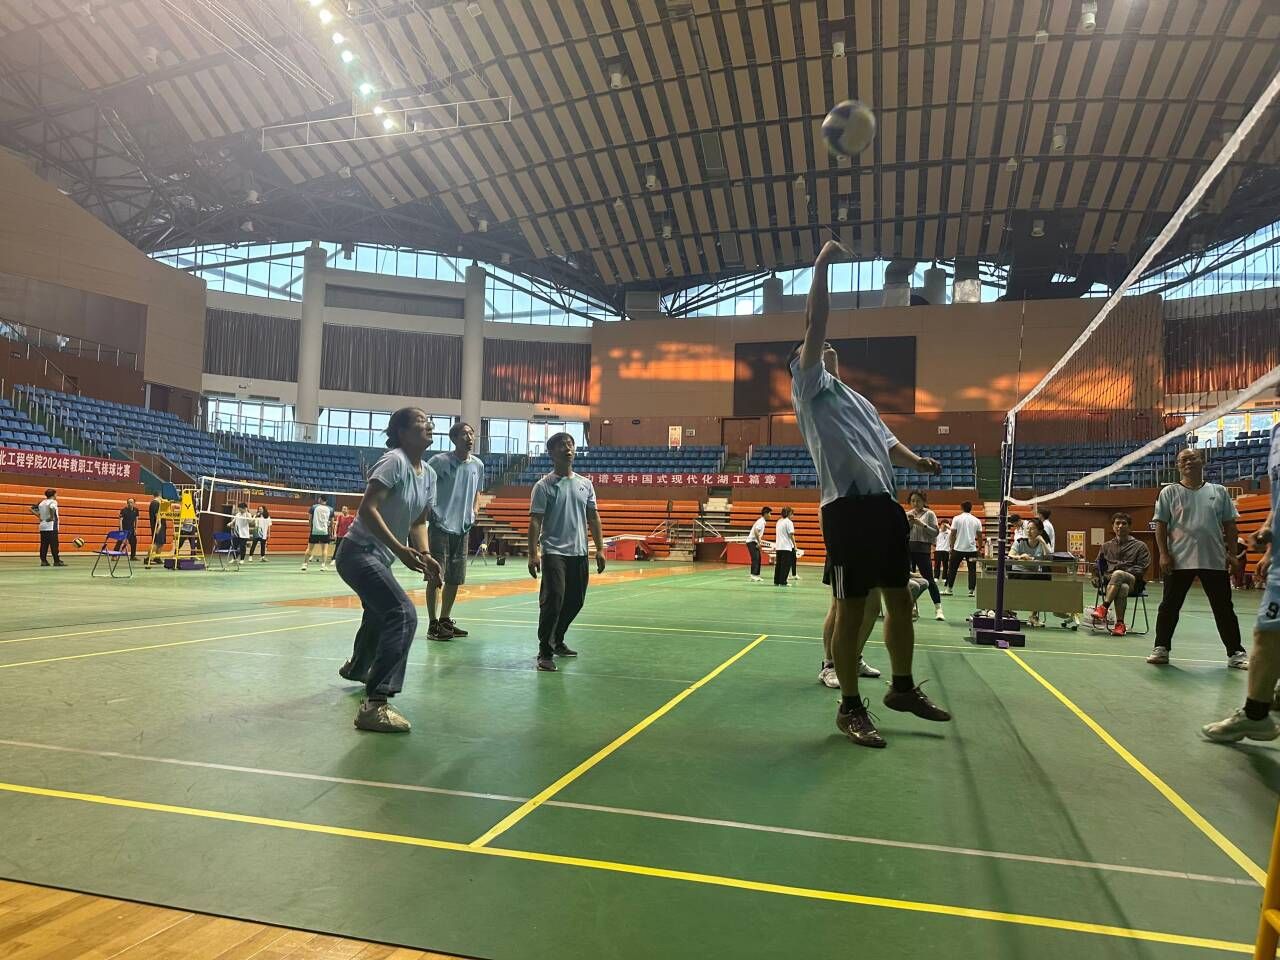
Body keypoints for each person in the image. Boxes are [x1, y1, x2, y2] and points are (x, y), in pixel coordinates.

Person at [792, 239, 950, 748]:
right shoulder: (810, 386)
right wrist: (821, 265)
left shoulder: (859, 400)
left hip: (884, 507)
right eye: (814, 348)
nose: (823, 348)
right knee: (852, 608)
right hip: (846, 510)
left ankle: (901, 688)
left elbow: (887, 443)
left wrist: (918, 462)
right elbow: (816, 321)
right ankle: (850, 706)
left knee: (899, 600)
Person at [335, 407, 441, 733]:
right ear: (402, 433)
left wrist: (425, 554)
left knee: (379, 613)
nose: (429, 425)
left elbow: (419, 521)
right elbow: (368, 509)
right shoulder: (394, 461)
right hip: (357, 553)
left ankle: (358, 667)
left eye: (429, 421)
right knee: (402, 613)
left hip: (380, 557)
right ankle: (375, 704)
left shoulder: (429, 475)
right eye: (421, 422)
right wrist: (400, 549)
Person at [1203, 395, 1280, 742]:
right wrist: (1269, 536)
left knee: (1269, 632)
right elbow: (1278, 501)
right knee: (1269, 632)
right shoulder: (1276, 435)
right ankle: (1259, 710)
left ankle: (1257, 712)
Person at [1148, 447, 1247, 669]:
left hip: (1214, 559)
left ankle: (1236, 653)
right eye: (1183, 459)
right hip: (1179, 560)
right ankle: (1161, 648)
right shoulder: (1169, 492)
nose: (1188, 462)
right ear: (1177, 466)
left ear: (1202, 461)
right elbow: (1161, 525)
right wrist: (1163, 554)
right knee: (1169, 606)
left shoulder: (1219, 491)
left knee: (1223, 608)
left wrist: (1232, 554)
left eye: (1192, 458)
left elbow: (1230, 526)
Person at [528, 432, 606, 672]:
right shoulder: (543, 486)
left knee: (575, 601)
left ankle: (557, 639)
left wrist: (600, 548)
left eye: (570, 444)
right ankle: (544, 652)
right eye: (562, 445)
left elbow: (593, 517)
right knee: (554, 600)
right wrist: (533, 554)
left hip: (579, 552)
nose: (568, 448)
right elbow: (535, 521)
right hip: (554, 552)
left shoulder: (586, 484)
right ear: (551, 453)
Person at [426, 422, 485, 640]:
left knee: (455, 578)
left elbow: (477, 491)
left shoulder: (478, 465)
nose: (469, 437)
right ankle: (432, 623)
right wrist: (432, 511)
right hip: (440, 526)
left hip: (463, 528)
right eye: (464, 434)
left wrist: (474, 511)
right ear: (453, 439)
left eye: (471, 433)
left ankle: (445, 619)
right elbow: (425, 486)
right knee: (435, 576)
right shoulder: (439, 461)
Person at [1091, 512, 1151, 636]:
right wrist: (1095, 576)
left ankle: (1104, 607)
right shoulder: (1106, 546)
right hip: (1111, 583)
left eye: (1124, 523)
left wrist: (1121, 571)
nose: (1120, 526)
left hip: (1133, 582)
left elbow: (1141, 569)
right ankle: (1120, 625)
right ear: (1113, 527)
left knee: (1118, 574)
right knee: (1122, 588)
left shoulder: (1140, 546)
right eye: (1117, 523)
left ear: (1129, 527)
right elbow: (1097, 566)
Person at [906, 490, 945, 621]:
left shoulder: (930, 514)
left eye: (918, 500)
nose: (915, 503)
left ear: (924, 501)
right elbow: (902, 533)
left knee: (929, 579)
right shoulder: (908, 514)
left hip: (923, 550)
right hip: (909, 550)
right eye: (913, 501)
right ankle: (912, 607)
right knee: (909, 580)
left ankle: (938, 608)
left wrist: (921, 524)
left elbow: (935, 533)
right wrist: (909, 525)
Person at [1009, 517, 1052, 628]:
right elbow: (1011, 554)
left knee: (1041, 584)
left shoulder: (1042, 544)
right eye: (1027, 528)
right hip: (1018, 572)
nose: (1029, 531)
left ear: (1040, 531)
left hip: (1033, 573)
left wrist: (1042, 541)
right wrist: (1020, 557)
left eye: (1032, 529)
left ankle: (1033, 615)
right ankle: (1008, 610)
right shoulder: (1020, 541)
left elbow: (1049, 557)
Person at [945, 501, 982, 597]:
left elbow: (953, 534)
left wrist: (951, 547)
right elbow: (979, 536)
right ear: (971, 508)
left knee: (952, 569)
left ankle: (949, 589)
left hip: (958, 548)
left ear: (961, 508)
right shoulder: (977, 520)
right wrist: (979, 548)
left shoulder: (956, 518)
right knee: (972, 570)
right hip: (971, 549)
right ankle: (971, 591)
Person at [301, 495, 334, 571]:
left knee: (309, 549)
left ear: (320, 499)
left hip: (314, 531)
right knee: (324, 550)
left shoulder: (314, 507)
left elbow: (310, 519)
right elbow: (332, 522)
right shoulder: (331, 509)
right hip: (324, 532)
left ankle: (305, 565)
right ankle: (323, 565)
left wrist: (311, 527)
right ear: (326, 501)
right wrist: (330, 530)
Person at [33, 488, 64, 567]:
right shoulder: (53, 501)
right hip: (51, 526)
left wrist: (39, 516)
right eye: (56, 494)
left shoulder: (42, 502)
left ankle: (43, 561)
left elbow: (31, 509)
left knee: (44, 544)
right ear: (53, 495)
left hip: (43, 526)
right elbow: (52, 507)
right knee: (54, 545)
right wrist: (51, 517)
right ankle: (56, 561)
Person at [773, 506, 797, 586]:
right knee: (785, 565)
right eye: (792, 514)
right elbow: (791, 535)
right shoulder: (789, 522)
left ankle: (776, 581)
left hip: (779, 546)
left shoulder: (779, 521)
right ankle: (783, 581)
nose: (793, 516)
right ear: (789, 513)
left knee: (778, 565)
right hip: (786, 547)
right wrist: (795, 545)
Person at [746, 506, 771, 582]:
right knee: (755, 558)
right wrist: (759, 542)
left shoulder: (763, 521)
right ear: (765, 514)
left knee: (758, 558)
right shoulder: (761, 521)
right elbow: (756, 531)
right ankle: (753, 575)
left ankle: (757, 575)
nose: (770, 515)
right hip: (751, 542)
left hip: (754, 542)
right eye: (769, 513)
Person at [145, 494, 167, 568]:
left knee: (161, 542)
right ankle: (148, 558)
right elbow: (157, 514)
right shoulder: (155, 503)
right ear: (159, 496)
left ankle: (157, 557)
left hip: (162, 524)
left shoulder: (159, 503)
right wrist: (159, 525)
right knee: (156, 542)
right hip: (158, 525)